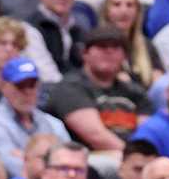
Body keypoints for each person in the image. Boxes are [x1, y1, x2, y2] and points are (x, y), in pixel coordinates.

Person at [48, 25, 150, 154]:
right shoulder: (70, 88)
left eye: (115, 47)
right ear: (85, 53)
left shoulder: (135, 92)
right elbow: (97, 137)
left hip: (131, 158)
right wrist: (133, 158)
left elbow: (146, 134)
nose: (109, 52)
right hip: (86, 160)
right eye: (102, 46)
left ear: (125, 56)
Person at [0, 57, 66, 179]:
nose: (27, 92)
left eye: (32, 85)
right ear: (4, 87)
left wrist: (28, 158)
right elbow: (16, 170)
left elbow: (71, 161)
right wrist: (51, 161)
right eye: (20, 86)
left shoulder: (54, 124)